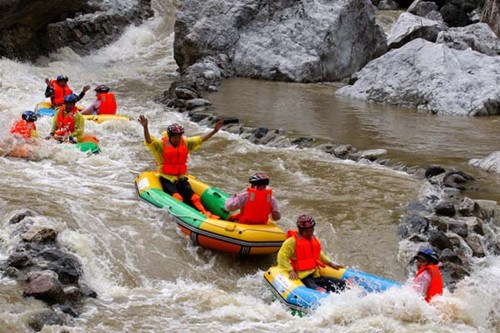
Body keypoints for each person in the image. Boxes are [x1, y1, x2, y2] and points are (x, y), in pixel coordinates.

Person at [138, 115, 224, 218]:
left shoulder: (185, 143)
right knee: (177, 197)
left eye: (179, 136)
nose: (177, 139)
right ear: (170, 136)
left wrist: (214, 131)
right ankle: (187, 216)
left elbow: (200, 139)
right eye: (175, 137)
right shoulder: (161, 145)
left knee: (195, 197)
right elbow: (149, 141)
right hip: (166, 179)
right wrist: (145, 127)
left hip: (181, 178)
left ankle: (205, 215)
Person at [278, 214, 346, 293]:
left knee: (342, 283)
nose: (310, 233)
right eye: (307, 231)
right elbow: (282, 256)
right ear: (300, 230)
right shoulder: (292, 242)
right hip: (302, 277)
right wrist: (290, 271)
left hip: (315, 275)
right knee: (320, 290)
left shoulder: (313, 239)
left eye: (311, 230)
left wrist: (330, 263)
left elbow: (319, 254)